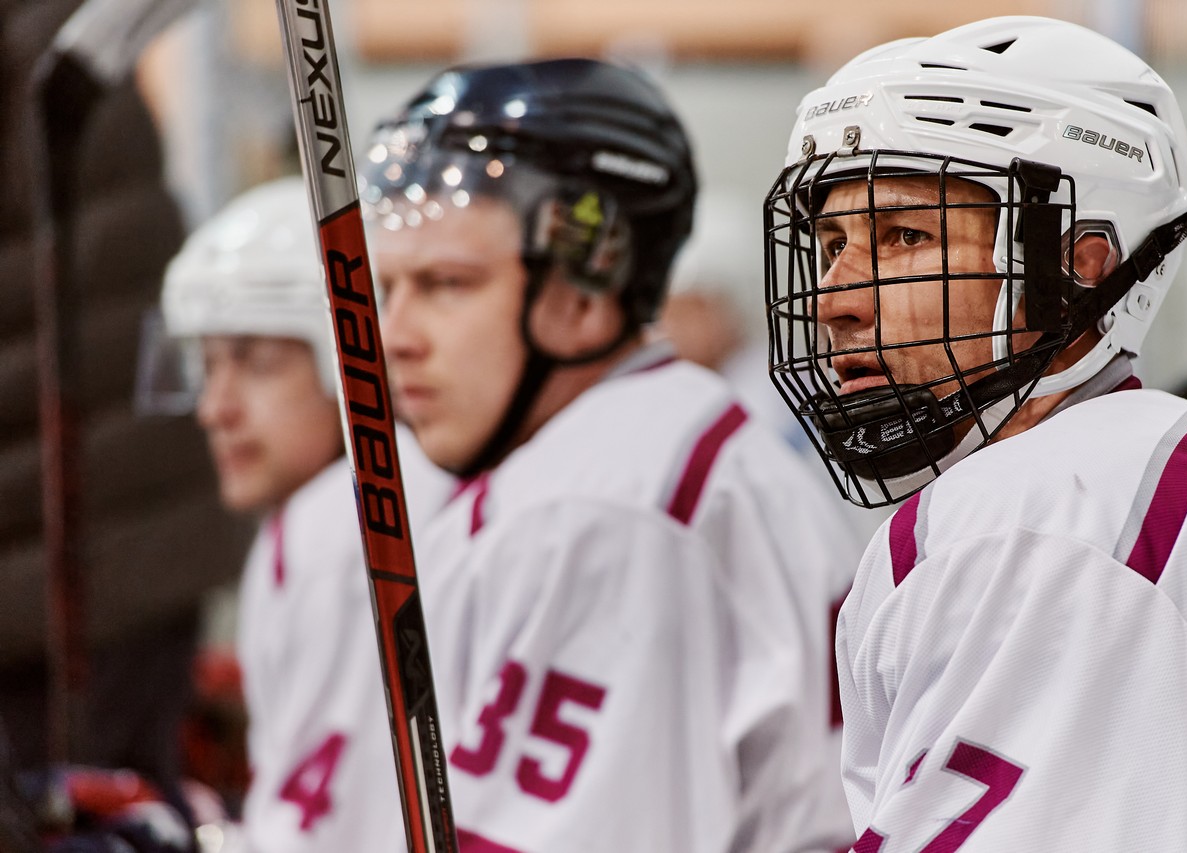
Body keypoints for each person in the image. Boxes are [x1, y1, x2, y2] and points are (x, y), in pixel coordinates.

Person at [764, 15, 1187, 851]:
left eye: (904, 237)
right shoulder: (1115, 483)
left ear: (1078, 266)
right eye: (830, 243)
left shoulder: (1039, 525)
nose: (835, 298)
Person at [360, 58, 861, 852]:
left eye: (448, 284)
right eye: (390, 290)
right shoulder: (639, 445)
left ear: (588, 285)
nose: (397, 337)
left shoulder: (600, 502)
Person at [155, 177, 454, 852]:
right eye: (207, 366)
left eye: (256, 363)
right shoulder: (339, 511)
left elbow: (323, 828)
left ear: (350, 355)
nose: (215, 407)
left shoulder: (348, 525)